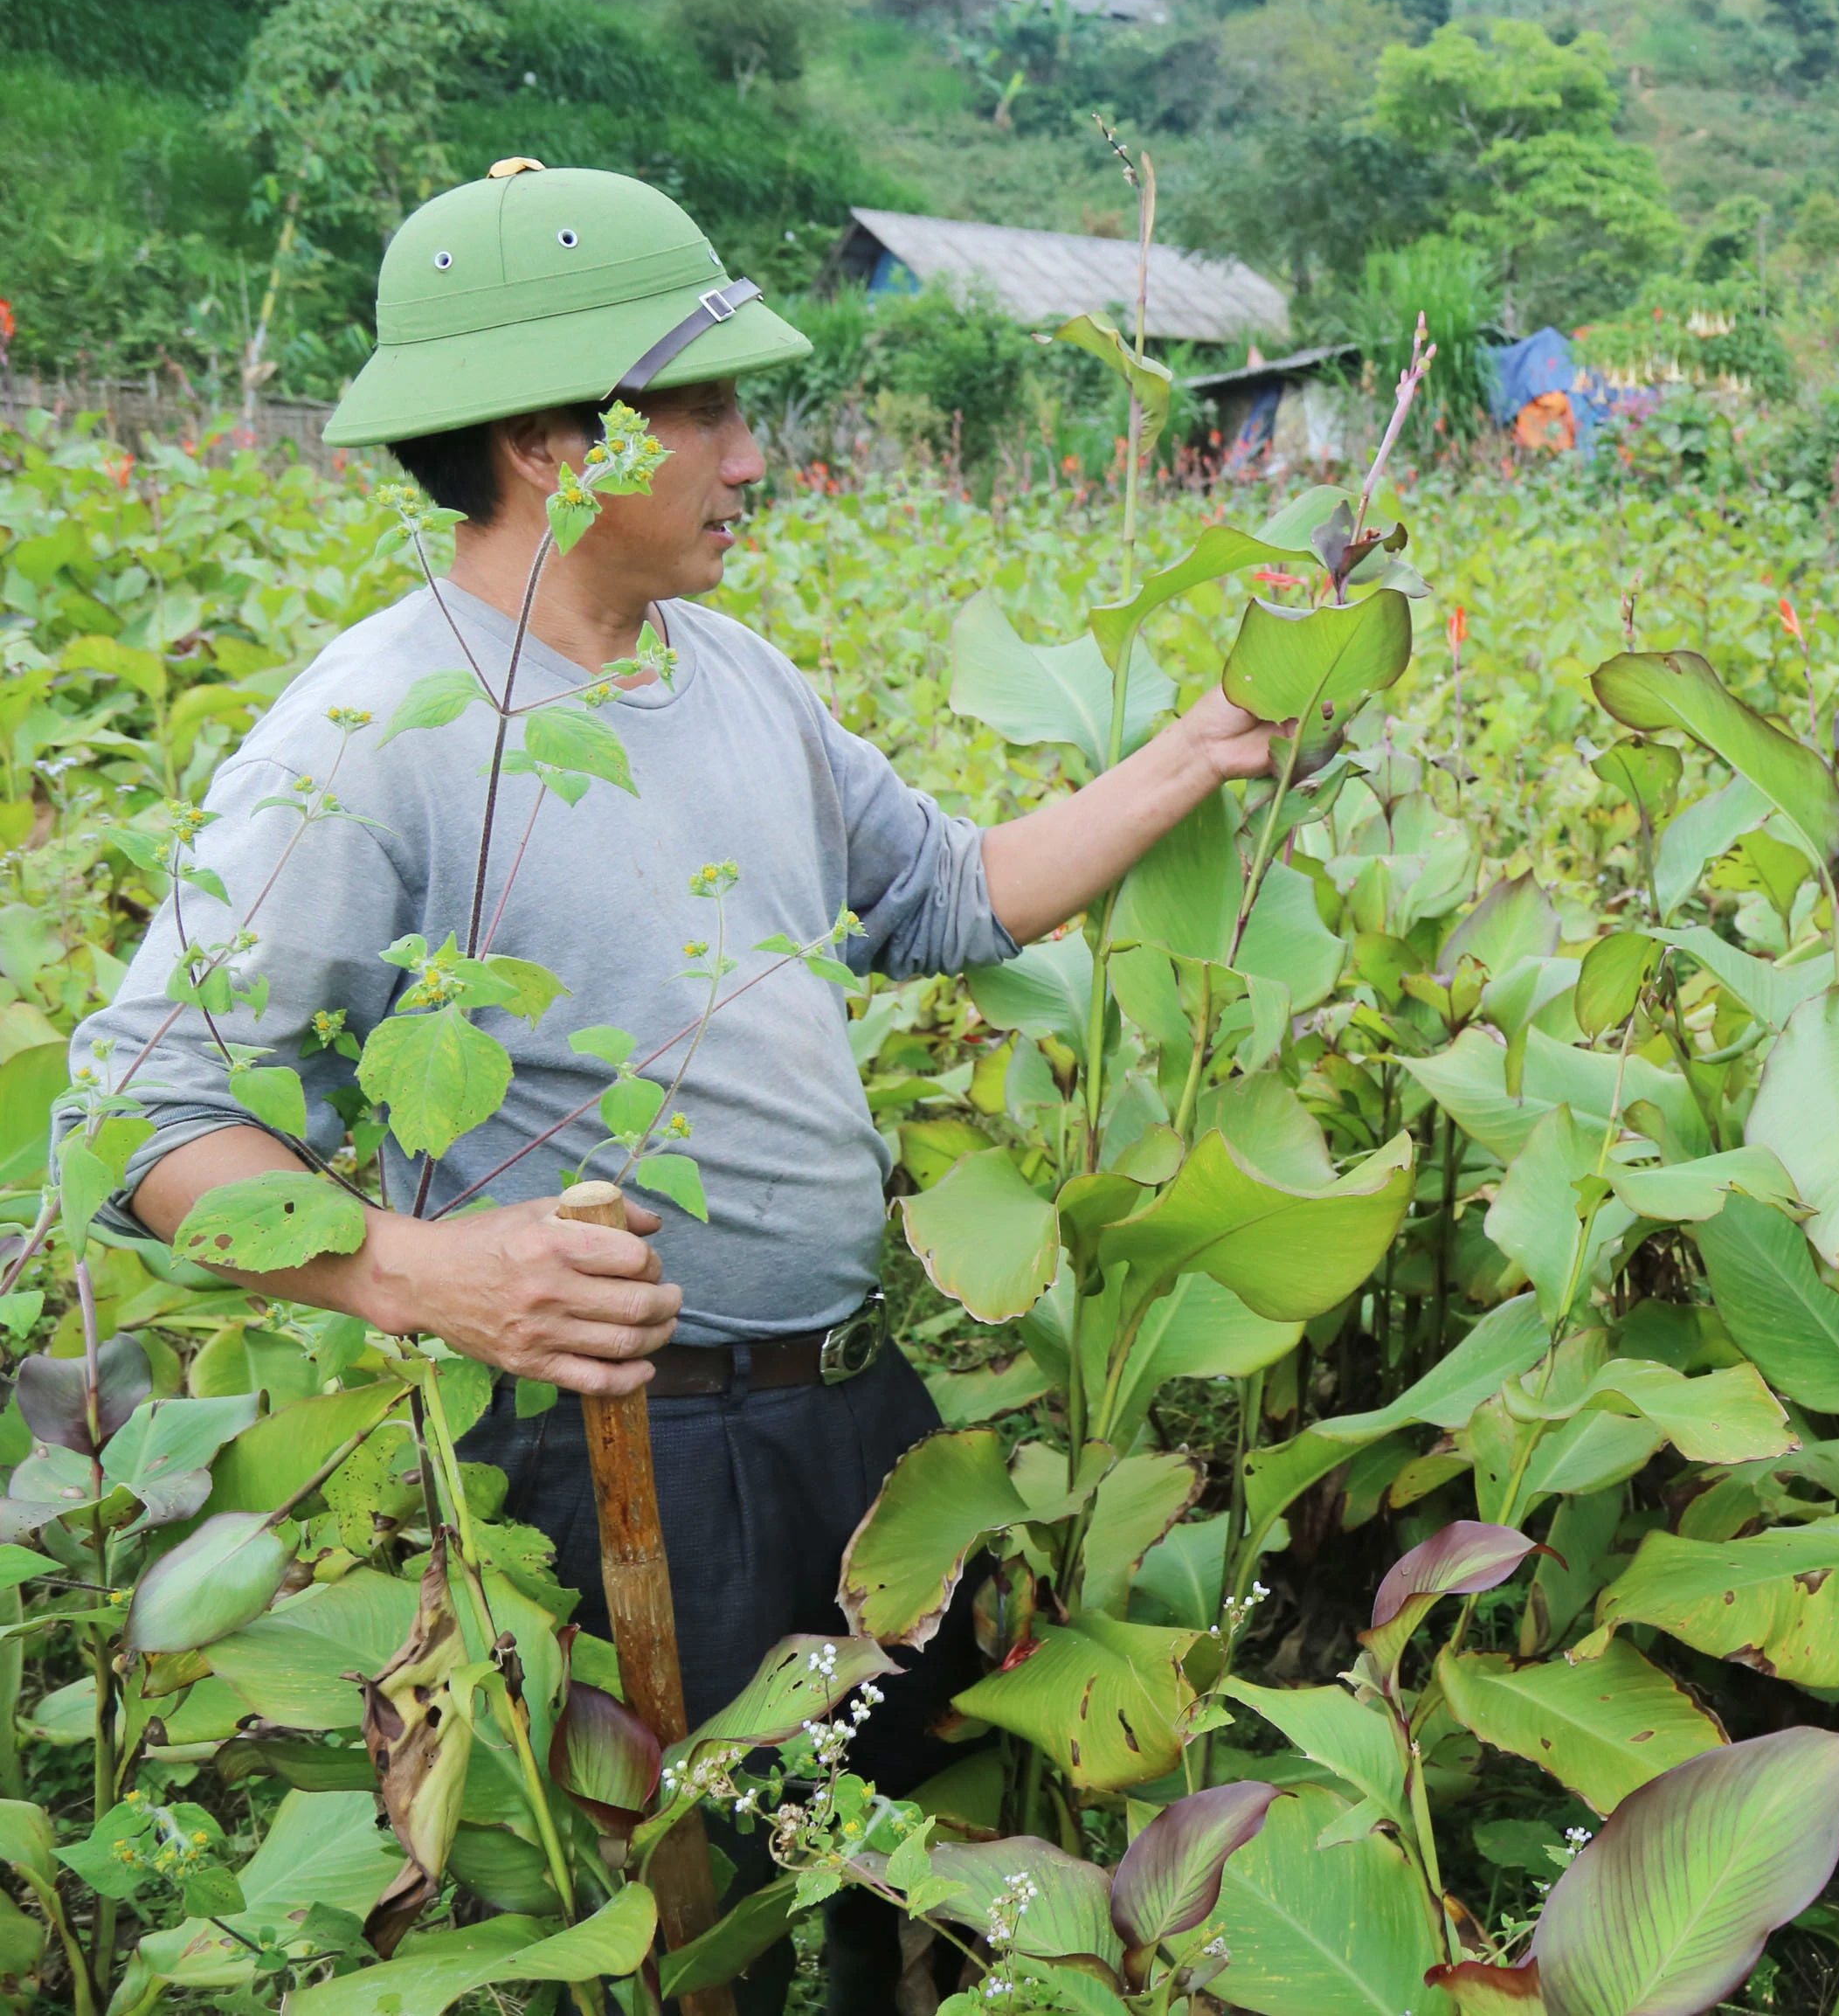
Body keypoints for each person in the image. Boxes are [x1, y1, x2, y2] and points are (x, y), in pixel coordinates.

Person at [72, 162, 1282, 2010]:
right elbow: (148, 1112)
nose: (749, 452)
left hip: (856, 1434)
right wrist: (420, 1271)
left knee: (886, 1905)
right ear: (562, 440)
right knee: (703, 1936)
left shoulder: (729, 673)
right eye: (710, 407)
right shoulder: (375, 732)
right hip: (627, 1454)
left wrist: (1201, 747)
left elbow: (948, 891)